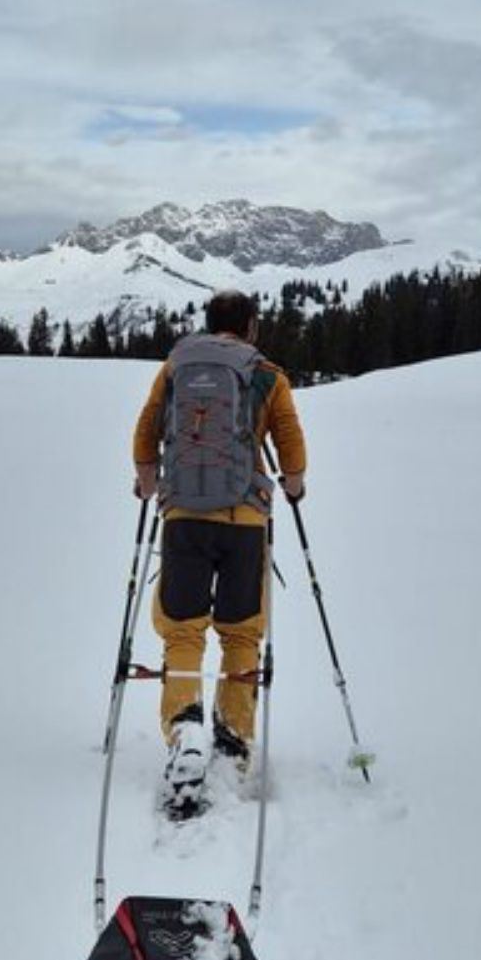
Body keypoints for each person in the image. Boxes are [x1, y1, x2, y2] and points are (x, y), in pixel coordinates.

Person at [131, 290, 307, 785]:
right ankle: (232, 737)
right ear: (251, 327)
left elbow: (146, 430)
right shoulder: (267, 374)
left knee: (183, 629)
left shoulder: (175, 367)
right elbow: (290, 443)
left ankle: (185, 729)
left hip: (184, 515)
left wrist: (148, 480)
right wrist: (294, 486)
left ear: (210, 325)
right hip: (245, 520)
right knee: (241, 629)